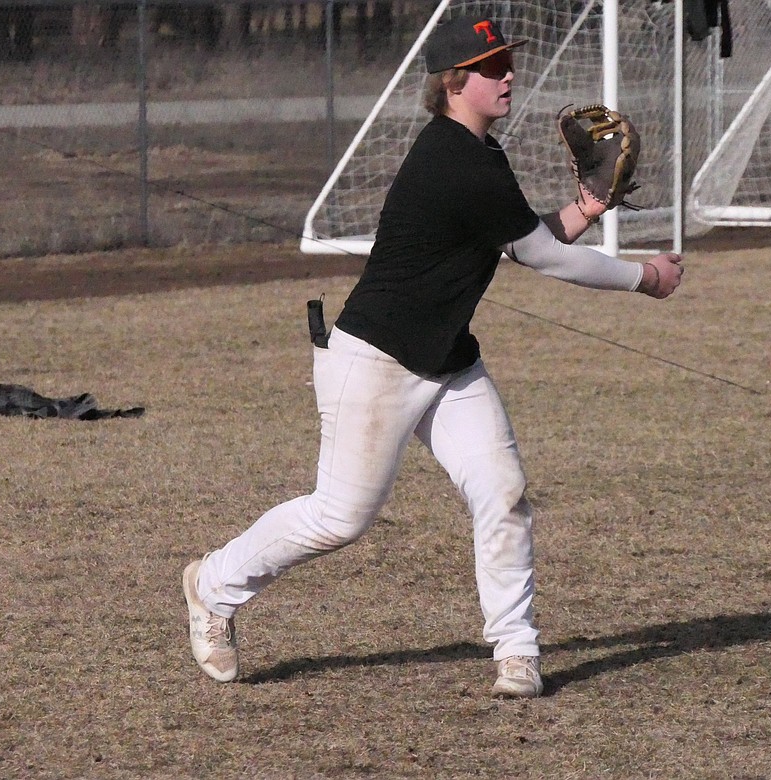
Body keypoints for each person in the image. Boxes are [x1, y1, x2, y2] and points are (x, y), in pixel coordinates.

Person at [183, 13, 684, 699]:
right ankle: (212, 585)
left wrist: (588, 206)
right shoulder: (451, 158)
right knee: (340, 516)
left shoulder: (480, 156)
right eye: (491, 66)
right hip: (377, 361)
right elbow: (542, 257)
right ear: (454, 82)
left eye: (508, 62)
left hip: (448, 363)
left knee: (501, 493)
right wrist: (645, 279)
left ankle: (517, 652)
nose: (507, 74)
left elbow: (518, 237)